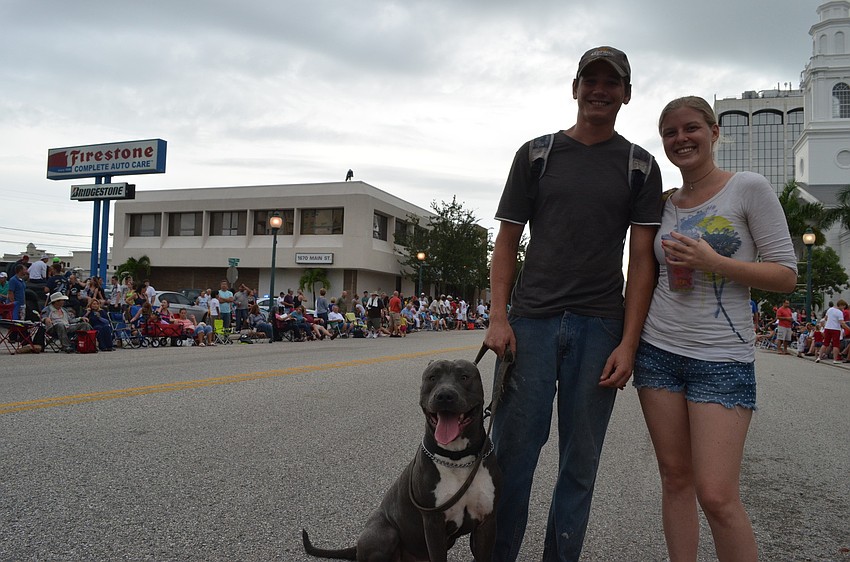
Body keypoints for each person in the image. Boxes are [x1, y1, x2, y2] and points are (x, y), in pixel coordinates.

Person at [484, 46, 662, 561]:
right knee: (510, 458)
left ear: (626, 95)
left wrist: (629, 343)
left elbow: (643, 260)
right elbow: (507, 240)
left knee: (579, 465)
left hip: (600, 326)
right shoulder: (536, 155)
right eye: (591, 80)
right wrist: (499, 317)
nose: (600, 90)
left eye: (612, 83)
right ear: (575, 87)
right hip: (531, 323)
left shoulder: (639, 166)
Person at [633, 96, 798, 562]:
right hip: (659, 351)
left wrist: (715, 261)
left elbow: (786, 275)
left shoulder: (747, 187)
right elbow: (647, 275)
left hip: (722, 358)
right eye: (670, 132)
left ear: (714, 132)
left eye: (691, 129)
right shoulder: (664, 204)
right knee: (675, 478)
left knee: (718, 494)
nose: (681, 139)